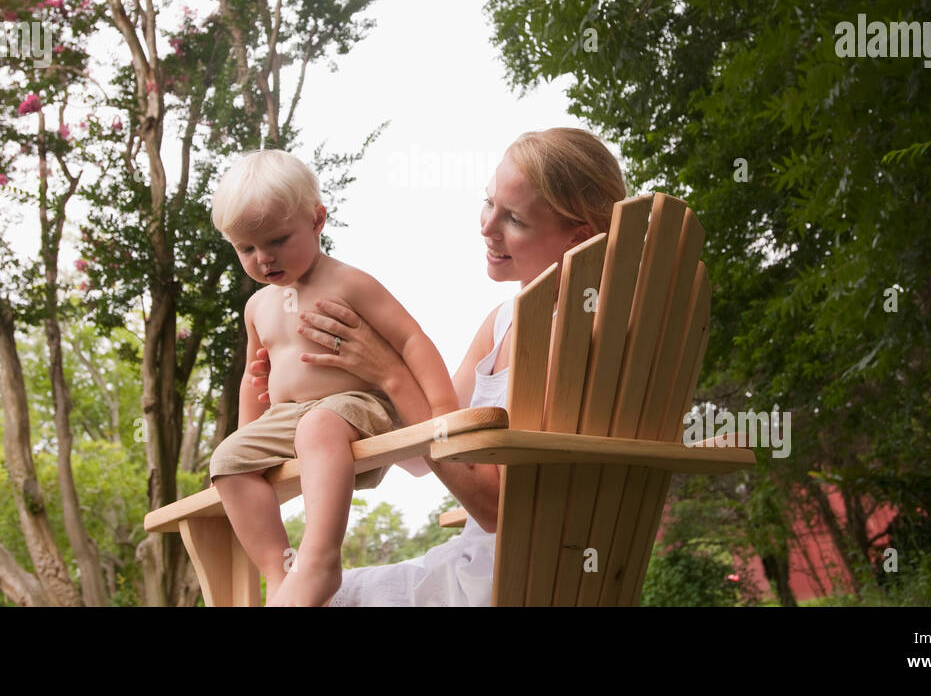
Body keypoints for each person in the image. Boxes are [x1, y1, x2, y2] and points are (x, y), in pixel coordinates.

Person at [246, 128, 628, 605]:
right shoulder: (504, 322)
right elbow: (417, 459)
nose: (488, 227)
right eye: (489, 203)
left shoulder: (569, 338)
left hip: (507, 583)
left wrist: (392, 373)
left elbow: (493, 507)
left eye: (515, 219)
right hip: (506, 568)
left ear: (581, 238)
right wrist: (352, 385)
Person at [207, 149, 459, 607]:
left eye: (278, 240)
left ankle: (319, 560)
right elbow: (253, 379)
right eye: (247, 248)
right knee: (225, 461)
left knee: (318, 424)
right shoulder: (257, 307)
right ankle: (281, 573)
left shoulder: (348, 283)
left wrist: (441, 410)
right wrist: (251, 442)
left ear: (318, 219)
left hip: (355, 409)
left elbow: (411, 340)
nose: (264, 259)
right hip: (288, 419)